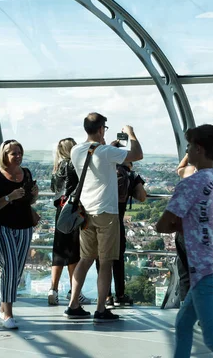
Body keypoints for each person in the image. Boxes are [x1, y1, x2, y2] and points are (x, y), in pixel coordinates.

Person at [156, 124, 213, 358]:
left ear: (199, 149)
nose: (188, 150)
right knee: (184, 323)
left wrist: (181, 224)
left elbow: (162, 225)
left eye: (190, 146)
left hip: (205, 268)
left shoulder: (190, 183)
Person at [65, 113, 143, 322]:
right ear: (101, 129)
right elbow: (137, 154)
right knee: (106, 262)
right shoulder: (106, 151)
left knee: (85, 259)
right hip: (106, 212)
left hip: (85, 212)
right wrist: (131, 134)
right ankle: (101, 309)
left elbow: (95, 156)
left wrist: (108, 145)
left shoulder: (75, 150)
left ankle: (73, 303)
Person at [0, 140, 39, 329]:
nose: (17, 156)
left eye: (19, 152)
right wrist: (10, 197)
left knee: (17, 270)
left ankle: (3, 305)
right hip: (3, 226)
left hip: (25, 225)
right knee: (9, 265)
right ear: (4, 156)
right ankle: (8, 313)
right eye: (13, 154)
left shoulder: (26, 173)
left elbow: (30, 201)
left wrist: (34, 194)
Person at [48, 138, 91, 306]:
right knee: (74, 252)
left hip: (61, 210)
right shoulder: (74, 165)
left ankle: (53, 289)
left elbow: (54, 190)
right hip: (74, 209)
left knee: (59, 251)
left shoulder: (57, 167)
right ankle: (74, 292)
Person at [99, 160, 147, 308]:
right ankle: (120, 295)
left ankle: (106, 296)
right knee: (118, 258)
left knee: (101, 259)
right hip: (117, 221)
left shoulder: (102, 171)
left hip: (100, 219)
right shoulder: (130, 175)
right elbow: (142, 196)